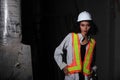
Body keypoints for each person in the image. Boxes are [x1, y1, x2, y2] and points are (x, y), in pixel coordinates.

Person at [54, 11, 98, 80]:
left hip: (87, 77)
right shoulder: (71, 37)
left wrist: (93, 71)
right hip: (72, 76)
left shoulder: (92, 42)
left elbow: (93, 63)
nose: (85, 28)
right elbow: (57, 52)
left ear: (91, 26)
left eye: (88, 25)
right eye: (82, 25)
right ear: (79, 25)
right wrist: (63, 66)